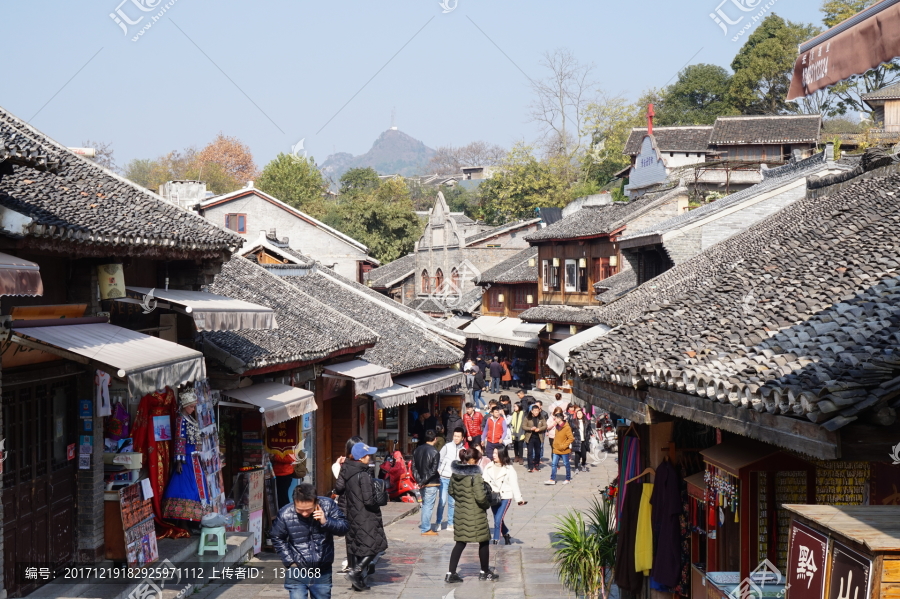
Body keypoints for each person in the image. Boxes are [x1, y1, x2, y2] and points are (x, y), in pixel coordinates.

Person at [271, 483, 349, 599]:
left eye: (308, 510)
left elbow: (344, 528)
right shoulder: (285, 513)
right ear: (294, 502)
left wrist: (325, 521)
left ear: (316, 502)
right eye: (300, 510)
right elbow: (277, 537)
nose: (305, 513)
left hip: (322, 569)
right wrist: (290, 562)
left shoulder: (328, 505)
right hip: (297, 569)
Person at [333, 443, 389, 591]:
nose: (369, 457)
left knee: (357, 547)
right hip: (365, 514)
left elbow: (338, 488)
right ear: (361, 458)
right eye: (367, 455)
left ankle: (358, 582)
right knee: (375, 546)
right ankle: (356, 571)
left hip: (351, 512)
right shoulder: (363, 474)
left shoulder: (346, 469)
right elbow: (369, 500)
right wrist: (379, 499)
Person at [445, 447, 499, 583]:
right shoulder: (475, 476)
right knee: (484, 541)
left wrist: (463, 500)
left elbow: (451, 491)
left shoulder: (455, 474)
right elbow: (480, 497)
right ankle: (484, 571)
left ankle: (450, 573)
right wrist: (487, 505)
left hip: (460, 512)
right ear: (473, 460)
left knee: (460, 542)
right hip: (475, 514)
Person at [163, 390, 206, 529]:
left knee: (195, 488)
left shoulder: (190, 419)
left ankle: (192, 518)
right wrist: (179, 460)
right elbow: (180, 440)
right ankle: (183, 520)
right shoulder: (181, 419)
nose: (193, 409)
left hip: (194, 458)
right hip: (186, 458)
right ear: (185, 405)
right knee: (185, 488)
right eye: (191, 406)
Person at [331, 436, 363, 574]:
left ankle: (352, 563)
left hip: (347, 506)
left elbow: (339, 487)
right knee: (357, 535)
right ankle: (356, 563)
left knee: (350, 537)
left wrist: (338, 465)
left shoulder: (343, 466)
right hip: (359, 506)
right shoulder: (363, 466)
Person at [483, 448, 526, 545]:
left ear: (502, 454)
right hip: (493, 497)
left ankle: (496, 540)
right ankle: (506, 534)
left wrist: (519, 499)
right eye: (493, 452)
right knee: (498, 519)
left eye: (496, 453)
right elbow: (484, 483)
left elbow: (514, 484)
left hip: (505, 496)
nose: (494, 455)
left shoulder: (509, 469)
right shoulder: (488, 467)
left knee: (498, 520)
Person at [436, 427, 466, 532]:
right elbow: (439, 458)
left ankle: (450, 523)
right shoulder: (447, 447)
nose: (456, 438)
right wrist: (439, 470)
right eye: (454, 436)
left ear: (462, 438)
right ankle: (438, 522)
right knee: (442, 502)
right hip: (444, 478)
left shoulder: (464, 450)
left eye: (458, 436)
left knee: (452, 503)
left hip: (455, 480)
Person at [413, 430, 442, 536]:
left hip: (422, 482)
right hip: (431, 483)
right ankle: (425, 528)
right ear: (435, 439)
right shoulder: (435, 452)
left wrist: (419, 480)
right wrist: (424, 481)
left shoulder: (417, 450)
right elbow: (433, 470)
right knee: (428, 506)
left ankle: (425, 527)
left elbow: (413, 467)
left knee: (425, 504)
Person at [545, 413, 574, 485]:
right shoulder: (557, 426)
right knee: (554, 464)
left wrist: (564, 446)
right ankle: (552, 479)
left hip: (564, 450)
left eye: (556, 418)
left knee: (566, 464)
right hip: (556, 449)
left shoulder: (566, 427)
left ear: (560, 419)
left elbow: (571, 438)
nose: (555, 419)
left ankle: (568, 478)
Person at [523, 404, 547, 472]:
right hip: (530, 437)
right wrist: (530, 428)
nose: (536, 412)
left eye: (537, 411)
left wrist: (539, 429)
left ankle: (536, 464)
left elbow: (545, 426)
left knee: (538, 452)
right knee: (530, 452)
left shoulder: (541, 418)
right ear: (532, 411)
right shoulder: (527, 418)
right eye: (535, 411)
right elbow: (524, 426)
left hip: (538, 437)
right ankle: (530, 466)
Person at [570, 407, 594, 472]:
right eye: (578, 414)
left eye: (580, 413)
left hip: (584, 441)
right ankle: (576, 467)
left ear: (583, 414)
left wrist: (591, 434)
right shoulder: (573, 422)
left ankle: (583, 465)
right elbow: (570, 430)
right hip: (577, 440)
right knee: (577, 455)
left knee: (584, 455)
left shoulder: (586, 421)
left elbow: (589, 429)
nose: (579, 415)